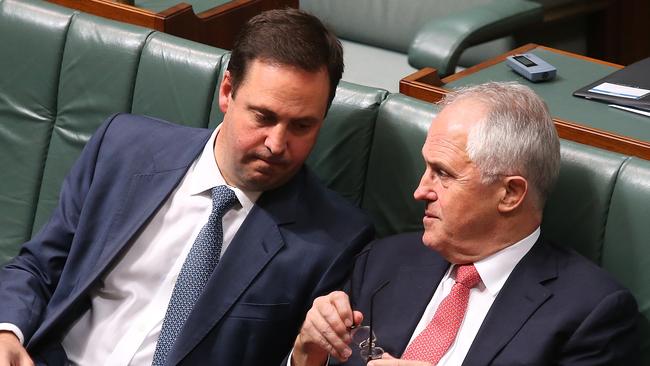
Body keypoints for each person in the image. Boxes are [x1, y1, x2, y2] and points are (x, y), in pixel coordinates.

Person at [0, 9, 374, 366]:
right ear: (227, 92)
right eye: (264, 116)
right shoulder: (123, 148)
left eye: (301, 126)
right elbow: (38, 268)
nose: (277, 143)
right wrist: (7, 333)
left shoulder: (334, 241)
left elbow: (300, 356)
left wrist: (305, 356)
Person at [290, 82, 639, 366]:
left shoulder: (590, 314)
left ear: (510, 193)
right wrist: (308, 350)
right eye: (426, 168)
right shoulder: (383, 261)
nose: (419, 191)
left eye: (442, 174)